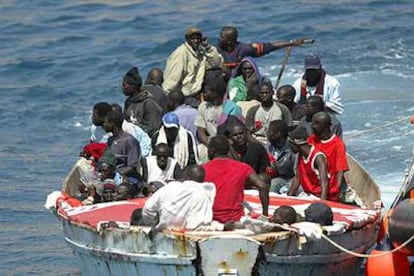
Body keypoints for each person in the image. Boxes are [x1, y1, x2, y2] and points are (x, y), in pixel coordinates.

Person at [203, 135, 269, 223]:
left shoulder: (202, 169)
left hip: (209, 217)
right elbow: (262, 186)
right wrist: (265, 215)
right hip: (234, 219)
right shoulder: (242, 167)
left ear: (212, 150)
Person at [142, 165, 230, 231]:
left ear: (186, 176)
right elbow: (198, 227)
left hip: (162, 236)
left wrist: (154, 225)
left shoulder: (170, 187)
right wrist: (221, 227)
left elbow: (148, 208)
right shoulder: (202, 195)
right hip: (186, 244)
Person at [163, 27, 223, 107]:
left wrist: (208, 48)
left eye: (198, 38)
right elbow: (172, 79)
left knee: (216, 73)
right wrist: (170, 98)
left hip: (198, 91)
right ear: (187, 40)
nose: (196, 41)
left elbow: (216, 64)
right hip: (185, 96)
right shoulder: (180, 54)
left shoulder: (200, 52)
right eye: (193, 39)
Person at [217, 26, 308, 70]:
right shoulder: (217, 50)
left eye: (222, 37)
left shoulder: (244, 49)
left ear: (229, 41)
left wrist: (292, 43)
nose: (219, 39)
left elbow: (271, 46)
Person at [308, 111, 349, 202]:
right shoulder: (312, 140)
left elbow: (340, 171)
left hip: (328, 187)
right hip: (312, 186)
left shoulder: (338, 144)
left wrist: (335, 193)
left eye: (314, 124)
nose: (311, 126)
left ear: (322, 126)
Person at [287, 127, 330, 200]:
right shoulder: (300, 155)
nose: (289, 147)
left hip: (318, 196)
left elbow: (324, 183)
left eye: (290, 144)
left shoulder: (318, 157)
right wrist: (288, 198)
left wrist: (323, 204)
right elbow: (297, 179)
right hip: (307, 194)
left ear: (296, 144)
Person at [122, 66, 163, 138]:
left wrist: (134, 128)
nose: (122, 88)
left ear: (133, 87)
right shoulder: (128, 102)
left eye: (124, 85)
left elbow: (153, 128)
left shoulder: (148, 103)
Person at [103, 110, 141, 186]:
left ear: (113, 124)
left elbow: (132, 167)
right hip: (111, 175)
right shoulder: (110, 140)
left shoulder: (129, 141)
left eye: (106, 122)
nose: (104, 125)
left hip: (128, 177)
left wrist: (115, 173)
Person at [266, 120, 296, 193]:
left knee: (275, 185)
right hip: (274, 178)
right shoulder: (269, 147)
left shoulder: (292, 149)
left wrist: (287, 187)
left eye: (269, 132)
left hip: (289, 179)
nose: (267, 134)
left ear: (278, 134)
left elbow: (297, 175)